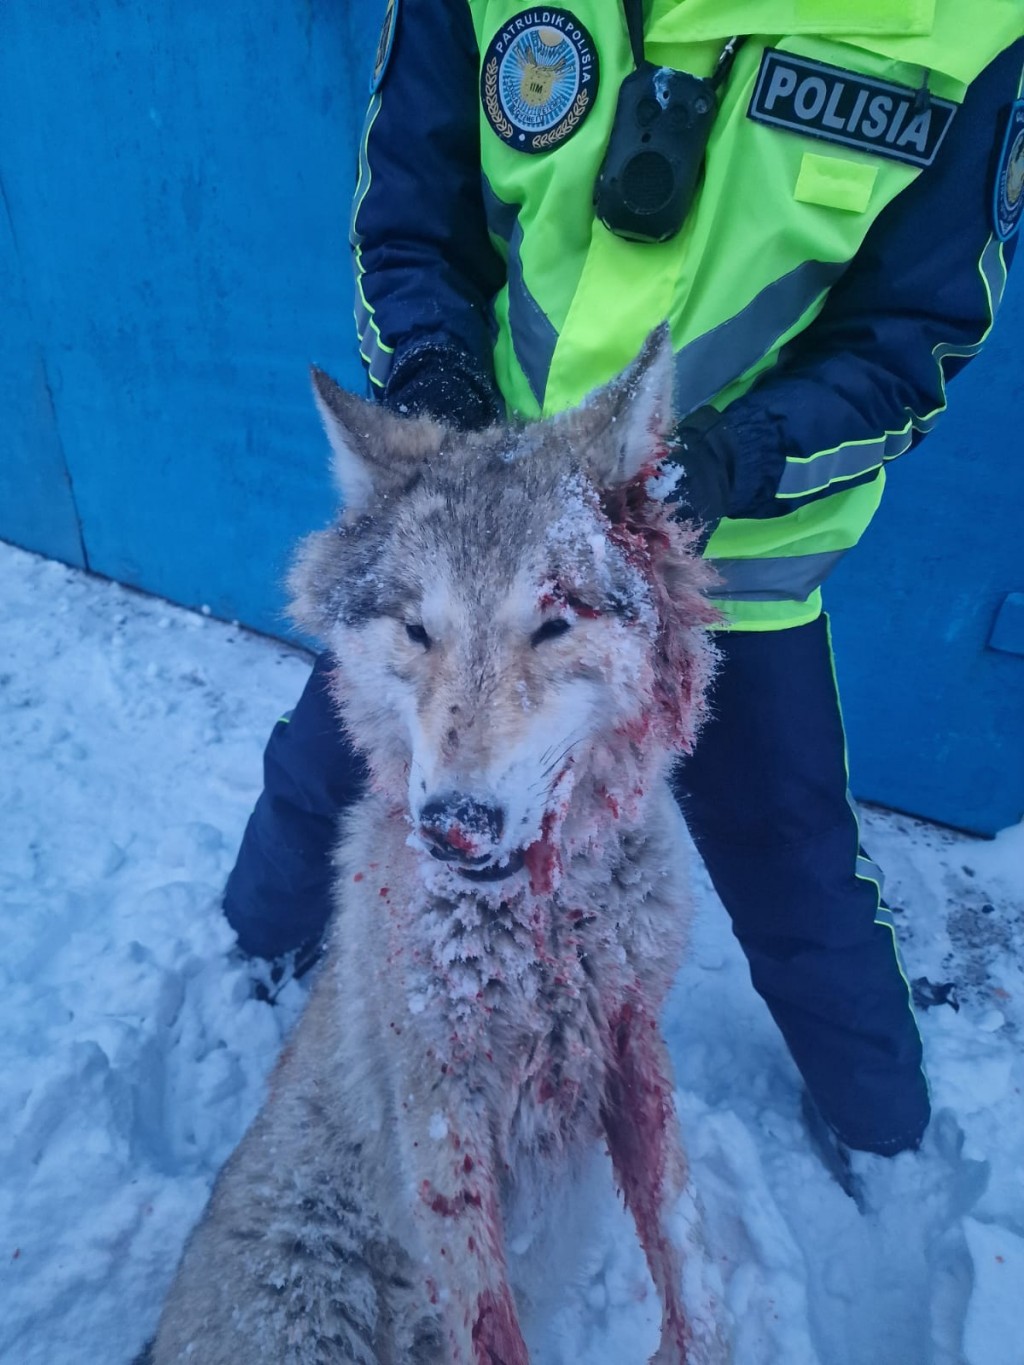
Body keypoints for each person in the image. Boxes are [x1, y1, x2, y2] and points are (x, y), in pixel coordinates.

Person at [225, 0, 1024, 1163]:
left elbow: (912, 339)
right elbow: (412, 211)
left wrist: (735, 458)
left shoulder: (964, 31)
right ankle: (252, 961)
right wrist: (438, 378)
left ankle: (884, 1138)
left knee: (789, 854)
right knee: (329, 766)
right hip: (487, 540)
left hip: (724, 557)